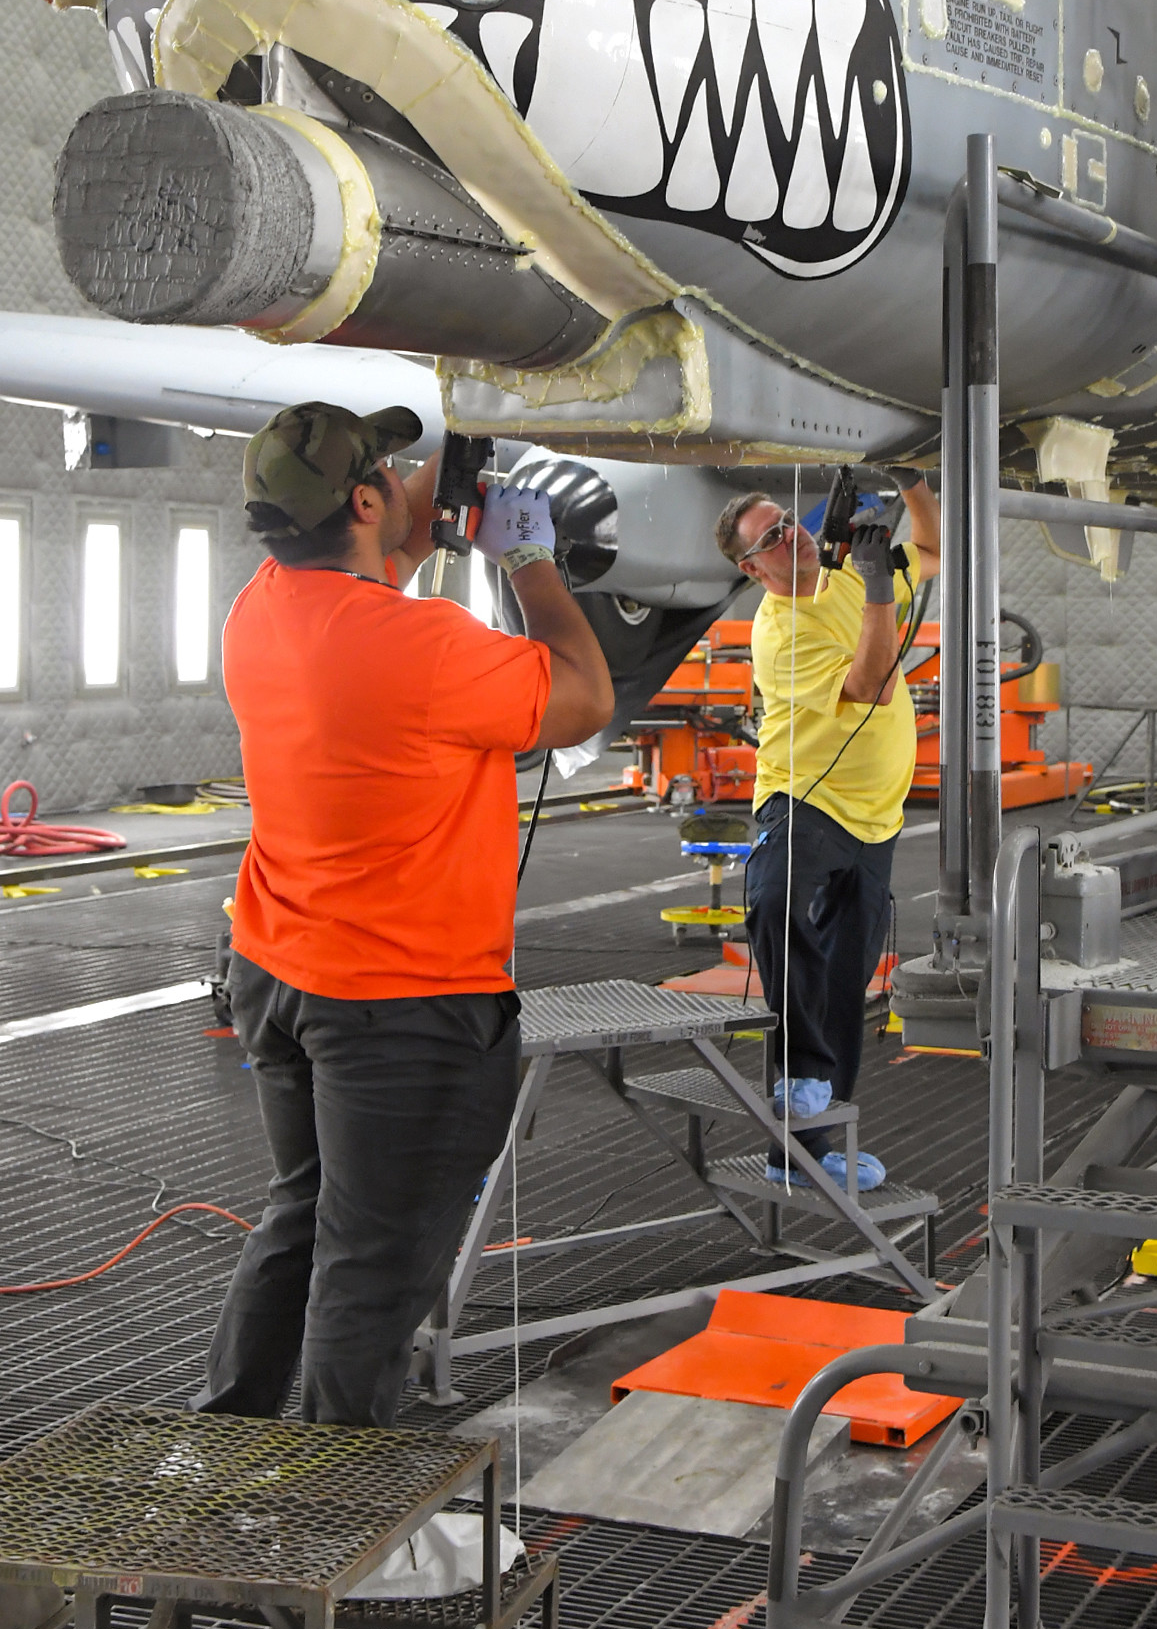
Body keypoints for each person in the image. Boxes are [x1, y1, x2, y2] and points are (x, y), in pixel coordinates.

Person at [198, 402, 612, 1425]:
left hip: (281, 970)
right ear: (367, 500)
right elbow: (583, 697)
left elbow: (371, 567)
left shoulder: (260, 606)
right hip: (402, 1007)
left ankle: (231, 1439)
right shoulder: (426, 645)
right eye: (388, 471)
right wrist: (530, 564)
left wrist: (439, 488)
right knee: (373, 1268)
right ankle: (339, 1515)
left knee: (303, 1214)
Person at [713, 473, 940, 1188]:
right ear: (753, 570)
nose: (794, 534)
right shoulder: (779, 632)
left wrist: (914, 482)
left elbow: (932, 547)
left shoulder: (846, 582)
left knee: (848, 978)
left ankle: (814, 1149)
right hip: (806, 799)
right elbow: (870, 683)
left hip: (878, 818)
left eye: (790, 520)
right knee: (774, 902)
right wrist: (877, 587)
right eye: (772, 537)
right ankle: (801, 1079)